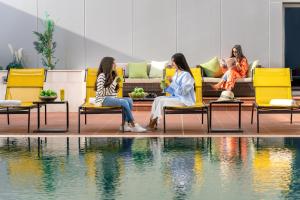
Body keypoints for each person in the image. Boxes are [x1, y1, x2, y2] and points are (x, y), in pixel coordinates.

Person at [95, 57, 146, 132]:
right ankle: (133, 124)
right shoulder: (101, 76)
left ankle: (124, 125)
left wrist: (116, 83)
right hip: (103, 100)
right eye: (114, 63)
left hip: (111, 98)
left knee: (129, 100)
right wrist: (115, 82)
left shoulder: (112, 75)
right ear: (108, 64)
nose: (115, 65)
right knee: (124, 102)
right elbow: (101, 92)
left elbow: (112, 91)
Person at [147, 53, 195, 129]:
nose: (171, 63)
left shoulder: (186, 75)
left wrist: (172, 82)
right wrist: (167, 87)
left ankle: (152, 123)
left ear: (179, 62)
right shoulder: (176, 73)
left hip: (184, 101)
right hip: (177, 98)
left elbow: (183, 92)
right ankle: (151, 121)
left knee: (162, 101)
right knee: (157, 99)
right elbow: (174, 92)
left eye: (173, 61)